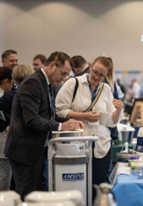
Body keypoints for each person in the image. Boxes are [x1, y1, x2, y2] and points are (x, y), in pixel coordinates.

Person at [4, 51, 84, 200]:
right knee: (26, 197)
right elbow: (32, 119)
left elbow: (47, 115)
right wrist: (61, 127)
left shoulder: (44, 83)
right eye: (63, 73)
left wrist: (70, 122)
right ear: (53, 65)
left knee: (39, 195)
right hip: (25, 152)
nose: (64, 78)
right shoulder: (32, 83)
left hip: (36, 151)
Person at [55, 56, 123, 200]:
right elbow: (59, 110)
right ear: (90, 67)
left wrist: (118, 111)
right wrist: (83, 116)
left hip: (101, 146)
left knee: (97, 188)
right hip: (77, 144)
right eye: (95, 72)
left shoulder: (106, 89)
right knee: (77, 187)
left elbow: (111, 122)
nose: (97, 77)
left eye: (102, 75)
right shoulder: (73, 83)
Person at [0, 67, 13, 191]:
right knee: (4, 180)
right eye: (12, 82)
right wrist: (4, 125)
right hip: (3, 144)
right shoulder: (5, 97)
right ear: (6, 81)